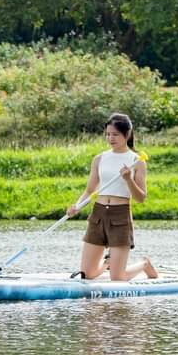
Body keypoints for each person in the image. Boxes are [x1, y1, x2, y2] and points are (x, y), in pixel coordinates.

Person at [67, 113, 157, 281]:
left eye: (115, 134)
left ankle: (144, 264)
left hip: (120, 216)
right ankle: (108, 263)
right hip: (98, 215)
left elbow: (141, 197)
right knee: (87, 275)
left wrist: (128, 179)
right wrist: (76, 206)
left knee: (118, 278)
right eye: (108, 134)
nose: (110, 138)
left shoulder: (137, 161)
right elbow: (89, 191)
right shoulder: (99, 159)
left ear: (127, 134)